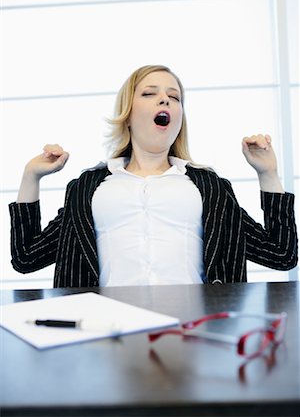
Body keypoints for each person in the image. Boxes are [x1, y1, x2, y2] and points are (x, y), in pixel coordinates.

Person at [9, 65, 298, 287]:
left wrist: (268, 174)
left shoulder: (211, 188)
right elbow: (26, 258)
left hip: (193, 334)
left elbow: (281, 254)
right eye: (150, 93)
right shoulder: (88, 188)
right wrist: (30, 177)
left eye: (174, 97)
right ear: (128, 113)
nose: (165, 100)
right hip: (105, 336)